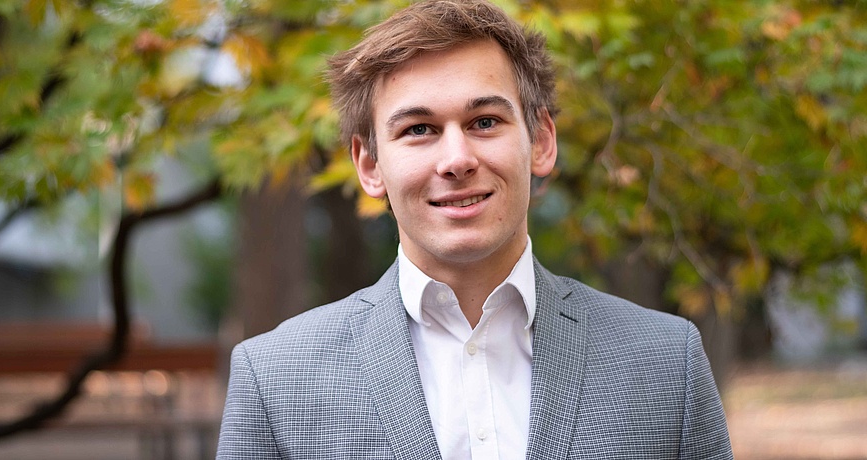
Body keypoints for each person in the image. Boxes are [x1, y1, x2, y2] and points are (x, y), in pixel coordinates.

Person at [216, 0, 733, 458]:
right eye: (418, 129)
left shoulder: (667, 361)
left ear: (541, 141)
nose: (457, 159)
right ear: (369, 165)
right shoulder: (275, 378)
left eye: (484, 121)